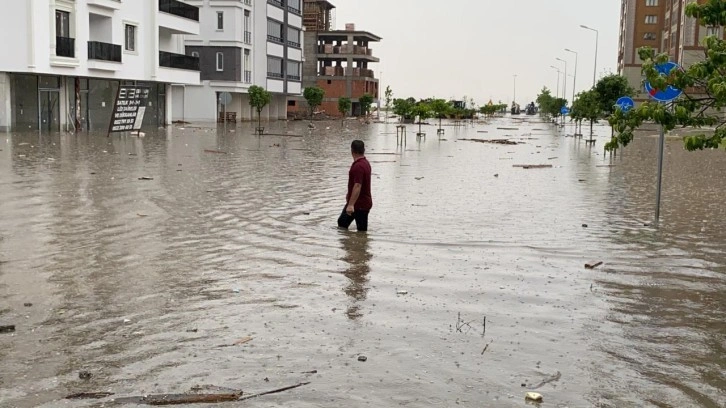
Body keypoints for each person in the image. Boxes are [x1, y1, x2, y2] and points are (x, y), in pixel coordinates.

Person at [338, 140, 372, 232]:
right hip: (362, 202)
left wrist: (351, 205)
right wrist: (349, 195)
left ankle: (354, 245)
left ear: (352, 151)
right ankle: (354, 244)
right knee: (343, 223)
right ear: (363, 150)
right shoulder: (365, 163)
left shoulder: (358, 166)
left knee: (345, 224)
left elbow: (357, 185)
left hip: (359, 204)